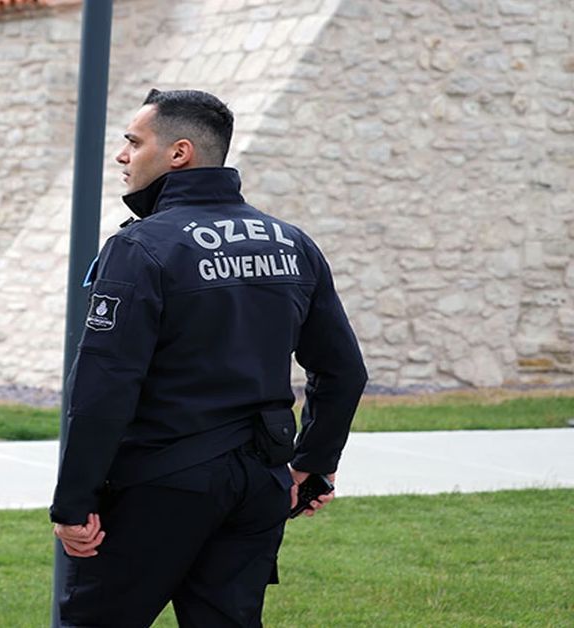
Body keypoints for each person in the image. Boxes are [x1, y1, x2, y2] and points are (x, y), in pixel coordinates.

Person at [50, 89, 367, 627]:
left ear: (179, 153)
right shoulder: (291, 243)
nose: (123, 156)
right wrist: (313, 464)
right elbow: (343, 371)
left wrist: (73, 503)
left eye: (134, 143)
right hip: (258, 485)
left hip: (159, 485)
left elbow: (104, 387)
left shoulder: (141, 247)